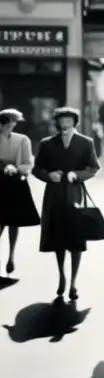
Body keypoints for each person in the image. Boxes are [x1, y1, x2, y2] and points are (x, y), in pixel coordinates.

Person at [32, 106, 100, 300]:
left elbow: (93, 167)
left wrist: (77, 175)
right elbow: (37, 169)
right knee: (58, 238)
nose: (65, 125)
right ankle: (62, 275)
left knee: (76, 239)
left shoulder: (86, 143)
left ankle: (73, 282)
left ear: (74, 122)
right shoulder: (47, 144)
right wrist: (48, 175)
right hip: (54, 195)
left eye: (69, 121)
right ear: (57, 123)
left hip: (74, 193)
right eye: (61, 121)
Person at [0, 108, 40, 275]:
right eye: (8, 122)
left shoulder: (23, 139)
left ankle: (11, 255)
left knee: (13, 221)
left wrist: (16, 168)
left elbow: (28, 162)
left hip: (15, 182)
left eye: (12, 122)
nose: (11, 125)